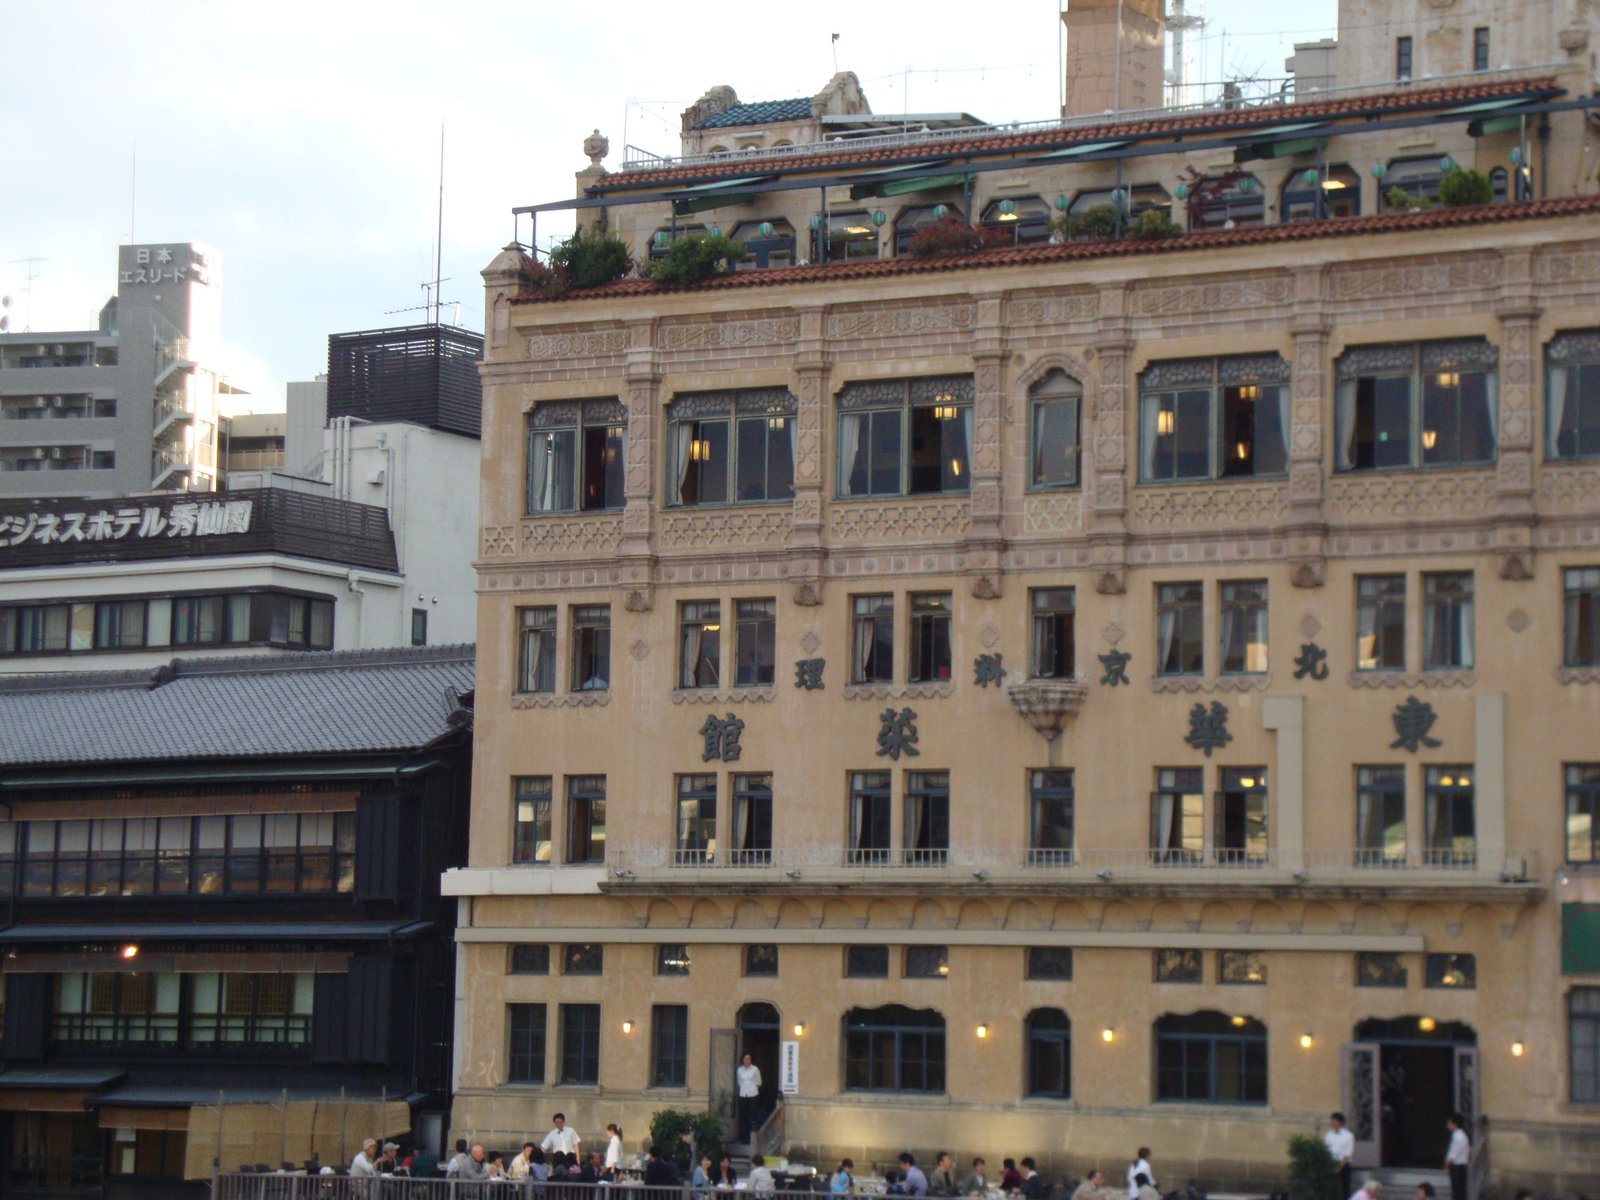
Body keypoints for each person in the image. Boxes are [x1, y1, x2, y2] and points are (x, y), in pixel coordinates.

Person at [1324, 1112, 1355, 1200]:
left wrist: (1340, 1167)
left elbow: (1348, 1152)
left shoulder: (1348, 1135)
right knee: (1330, 1188)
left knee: (1345, 1187)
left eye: (1334, 1121)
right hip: (1330, 1163)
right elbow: (1326, 1149)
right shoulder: (1328, 1135)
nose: (1332, 1123)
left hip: (1344, 1164)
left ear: (1340, 1122)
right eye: (1332, 1121)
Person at [737, 1052, 763, 1142]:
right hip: (743, 1093)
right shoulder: (740, 1070)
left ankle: (752, 1137)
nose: (747, 1060)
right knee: (743, 1116)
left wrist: (753, 1088)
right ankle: (743, 1138)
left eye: (749, 1059)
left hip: (753, 1094)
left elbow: (759, 1082)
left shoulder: (755, 1069)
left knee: (752, 1116)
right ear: (743, 1060)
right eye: (746, 1059)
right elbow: (739, 1082)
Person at [1444, 1113, 1470, 1200]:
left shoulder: (1458, 1137)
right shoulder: (1460, 1135)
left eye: (1450, 1122)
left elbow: (1453, 1155)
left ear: (1455, 1124)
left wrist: (1447, 1165)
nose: (1448, 1124)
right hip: (1460, 1168)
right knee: (1459, 1192)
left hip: (1457, 1168)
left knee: (1458, 1193)